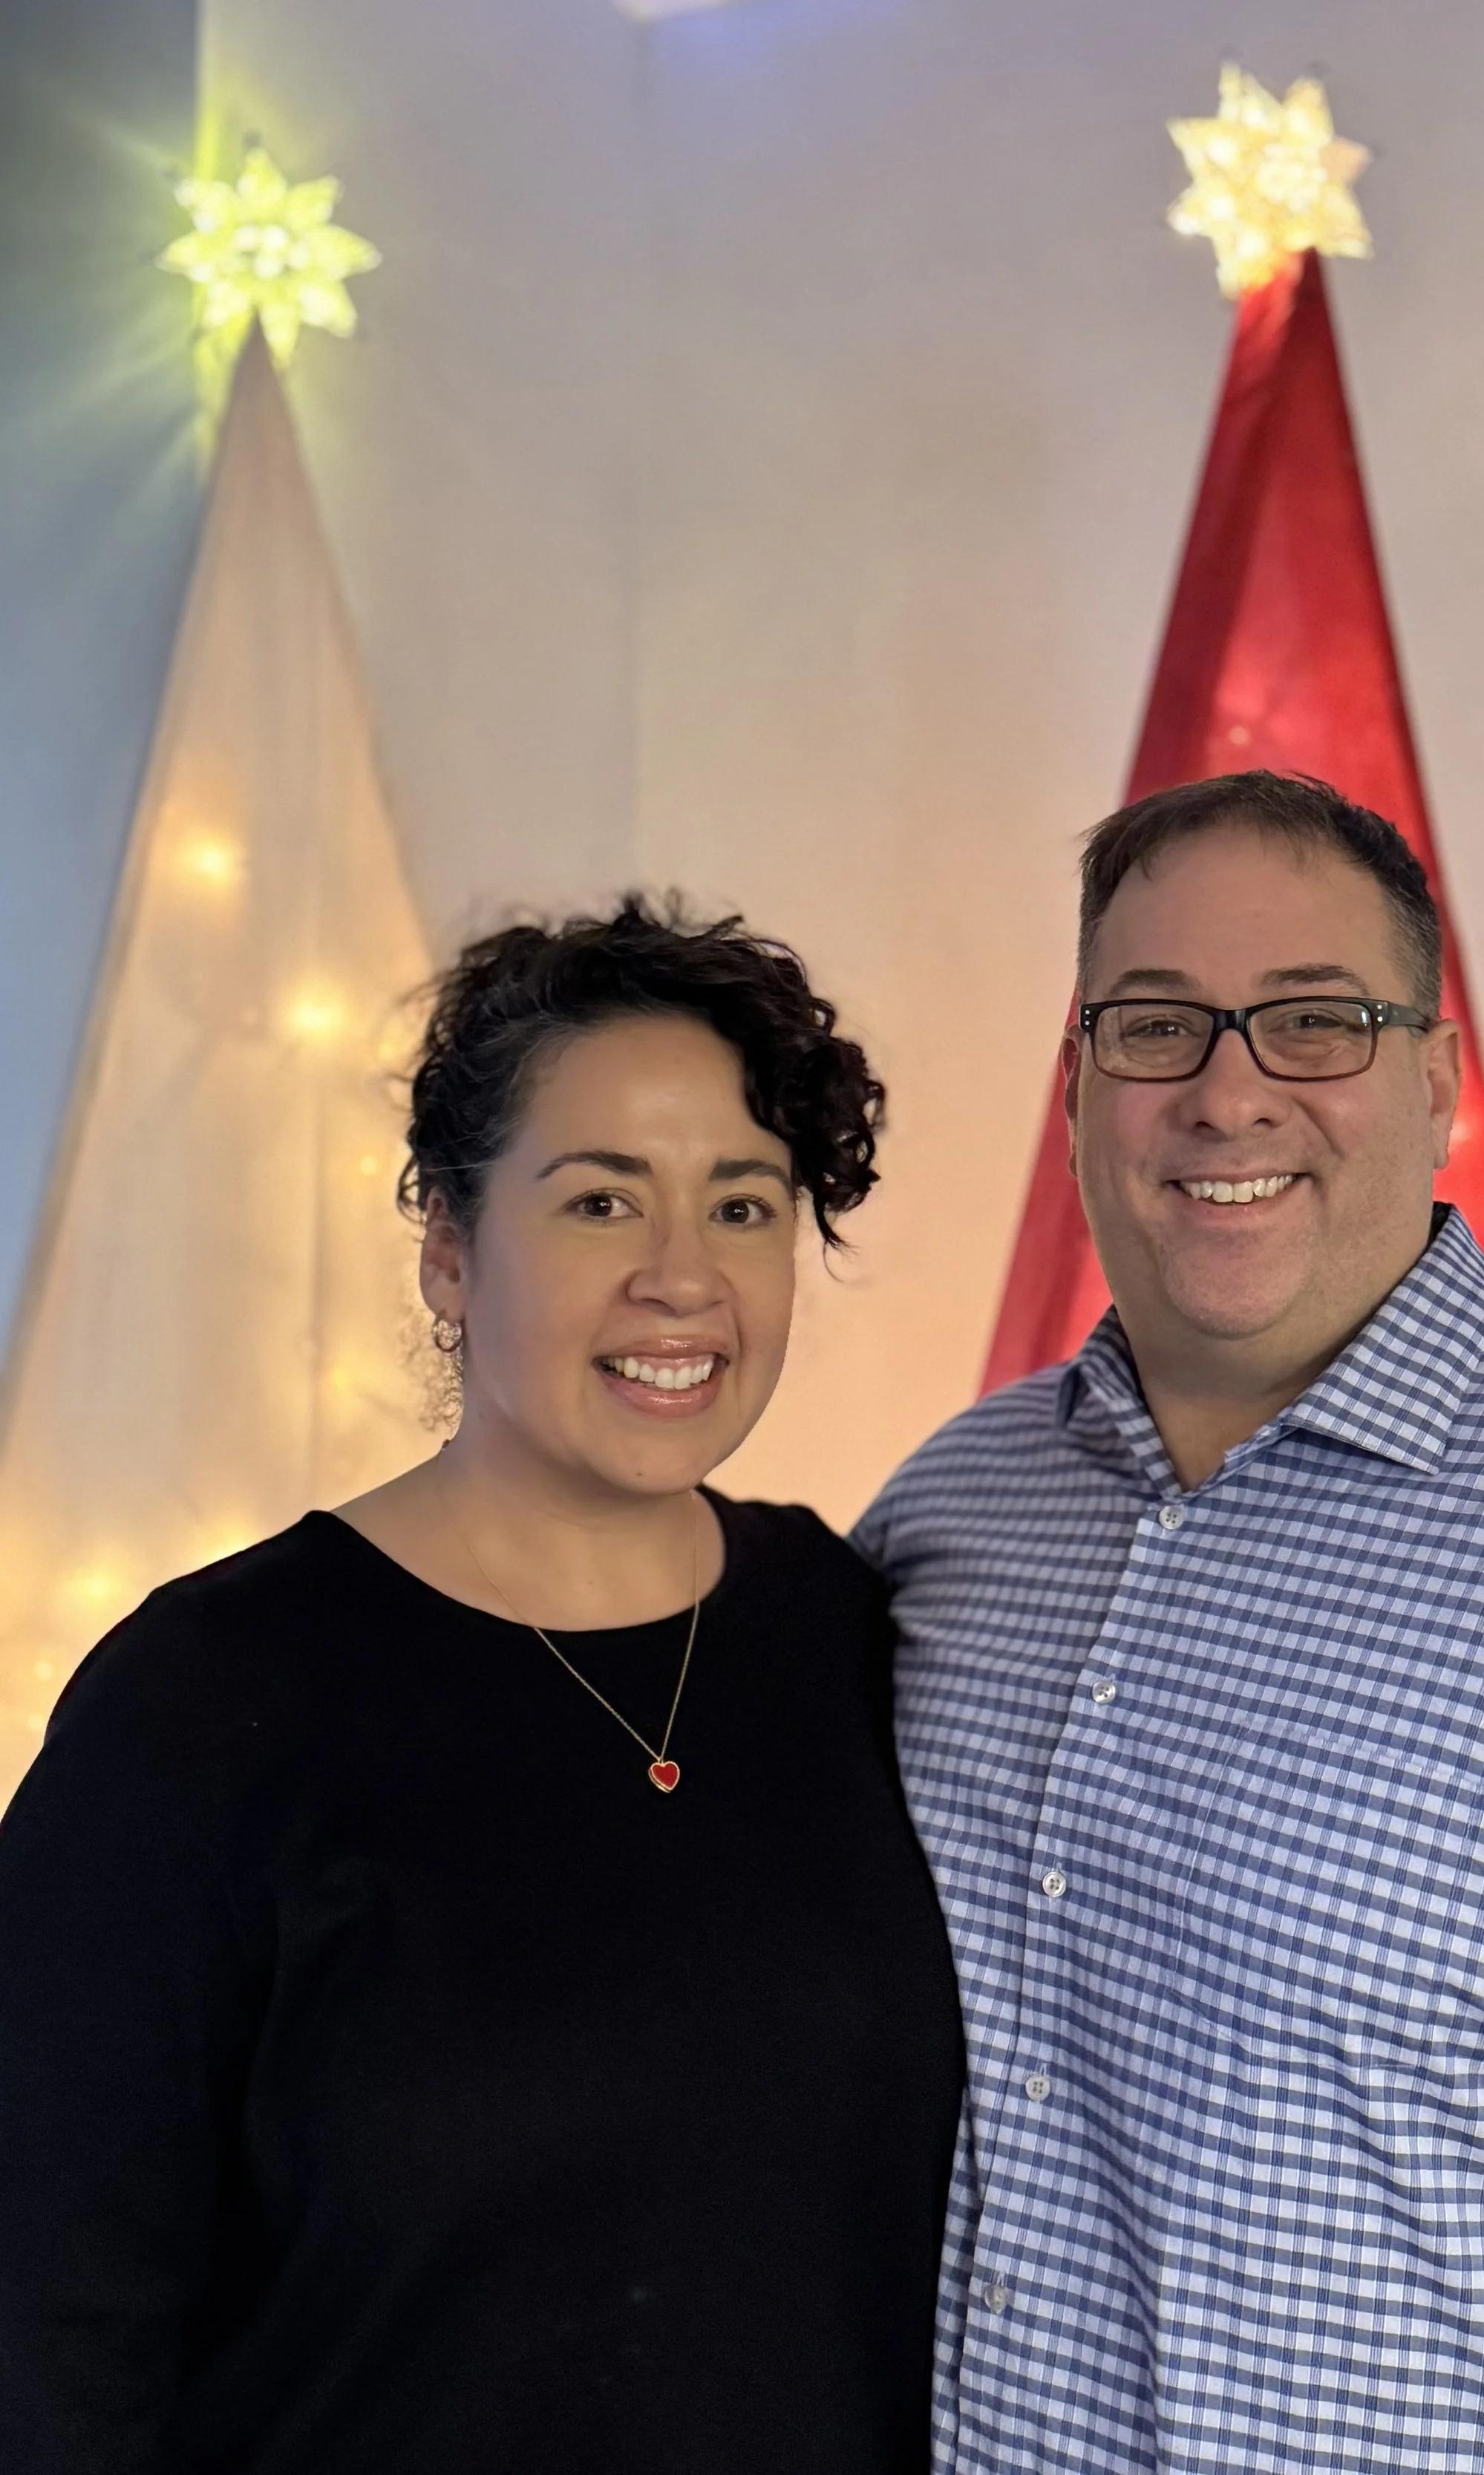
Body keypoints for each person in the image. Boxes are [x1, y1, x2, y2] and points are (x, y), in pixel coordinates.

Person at [855, 769, 1484, 2474]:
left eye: (1314, 1020)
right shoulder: (953, 1515)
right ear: (1077, 1086)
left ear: (1436, 1081)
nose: (1228, 1093)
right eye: (1155, 1025)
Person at [0, 897, 964, 2475]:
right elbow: (43, 2335)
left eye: (742, 1205)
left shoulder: (850, 1628)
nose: (681, 1279)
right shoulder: (202, 1704)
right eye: (599, 1202)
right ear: (450, 1251)